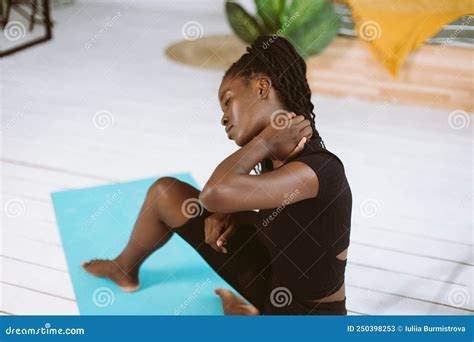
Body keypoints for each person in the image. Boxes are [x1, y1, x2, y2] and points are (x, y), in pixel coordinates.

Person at [82, 35, 352, 315]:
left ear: (262, 87)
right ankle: (123, 268)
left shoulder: (318, 170)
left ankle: (242, 313)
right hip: (272, 287)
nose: (223, 117)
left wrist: (265, 141)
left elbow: (213, 194)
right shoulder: (275, 162)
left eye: (227, 101)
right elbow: (292, 228)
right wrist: (235, 214)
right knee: (166, 193)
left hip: (306, 320)